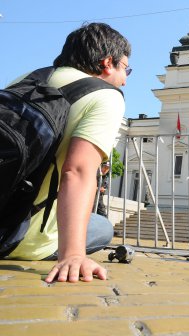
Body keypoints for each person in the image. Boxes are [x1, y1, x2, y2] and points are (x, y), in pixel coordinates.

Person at [4, 23, 131, 283]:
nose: (125, 80)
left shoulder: (27, 79)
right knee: (103, 227)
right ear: (108, 63)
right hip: (17, 237)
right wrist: (72, 255)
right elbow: (78, 171)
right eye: (125, 69)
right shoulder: (107, 95)